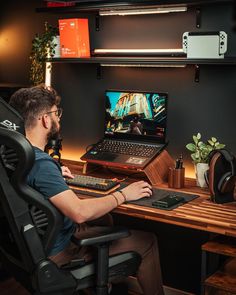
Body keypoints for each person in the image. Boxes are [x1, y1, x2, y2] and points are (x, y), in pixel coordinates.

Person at [9, 85, 164, 295]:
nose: (59, 118)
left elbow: (29, 180)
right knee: (148, 241)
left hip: (27, 247)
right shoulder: (42, 165)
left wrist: (53, 174)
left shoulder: (13, 155)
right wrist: (123, 194)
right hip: (56, 254)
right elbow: (79, 213)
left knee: (106, 219)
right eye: (56, 113)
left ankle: (106, 284)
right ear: (45, 120)